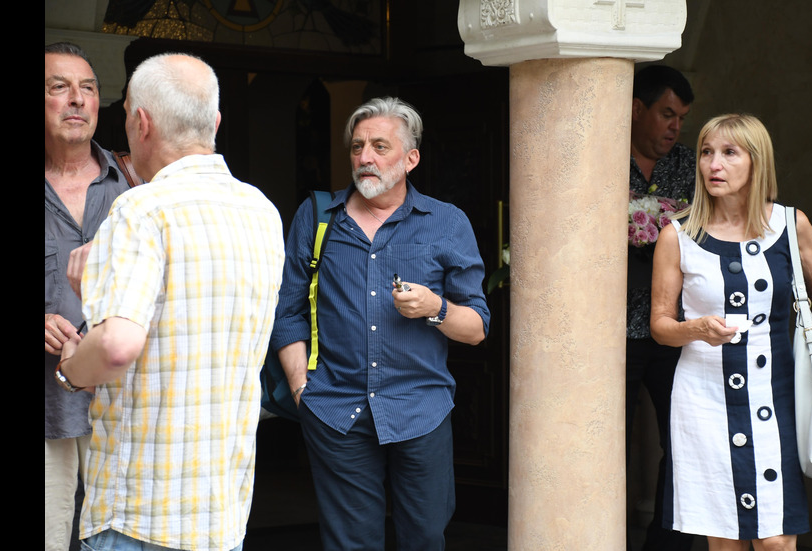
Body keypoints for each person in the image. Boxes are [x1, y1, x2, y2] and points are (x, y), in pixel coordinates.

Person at [57, 53, 285, 551]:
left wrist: (71, 369)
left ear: (141, 123)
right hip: (220, 512)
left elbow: (116, 346)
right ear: (215, 122)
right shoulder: (262, 211)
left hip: (139, 512)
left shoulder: (141, 209)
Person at [272, 96, 491, 551]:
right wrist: (300, 388)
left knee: (424, 538)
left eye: (379, 146)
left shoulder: (446, 223)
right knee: (351, 544)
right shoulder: (317, 218)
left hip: (421, 410)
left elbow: (476, 328)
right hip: (335, 410)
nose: (364, 157)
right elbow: (288, 312)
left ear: (411, 159)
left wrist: (436, 307)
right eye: (357, 147)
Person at [650, 114, 812, 551]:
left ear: (756, 161)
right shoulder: (678, 236)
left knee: (776, 541)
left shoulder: (790, 224)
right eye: (706, 152)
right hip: (704, 399)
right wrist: (696, 328)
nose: (714, 164)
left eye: (729, 153)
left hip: (774, 394)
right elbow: (661, 325)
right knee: (725, 542)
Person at [44, 41, 130, 551]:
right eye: (60, 87)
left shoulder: (134, 185)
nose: (77, 99)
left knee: (119, 540)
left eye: (88, 88)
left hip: (122, 407)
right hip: (47, 409)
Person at [626, 64, 696, 551]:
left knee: (685, 443)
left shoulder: (690, 166)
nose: (675, 127)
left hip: (676, 330)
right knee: (606, 443)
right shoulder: (601, 158)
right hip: (613, 333)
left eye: (682, 118)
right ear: (637, 109)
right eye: (667, 114)